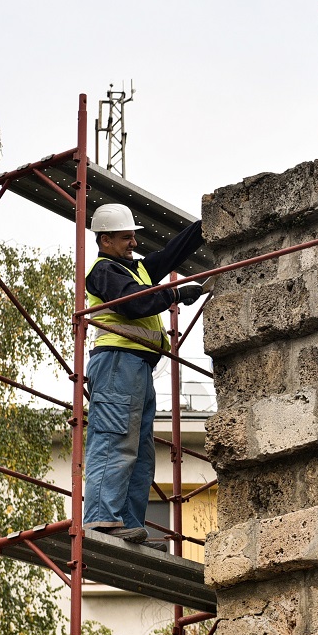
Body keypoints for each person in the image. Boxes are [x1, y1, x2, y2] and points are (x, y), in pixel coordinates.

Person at [84, 203, 205, 549]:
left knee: (140, 452)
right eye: (126, 237)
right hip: (116, 364)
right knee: (114, 439)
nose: (134, 243)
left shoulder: (134, 270)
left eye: (133, 236)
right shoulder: (103, 270)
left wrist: (203, 224)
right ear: (105, 240)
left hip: (137, 368)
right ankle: (101, 520)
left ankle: (128, 526)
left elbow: (170, 254)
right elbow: (133, 303)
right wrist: (177, 294)